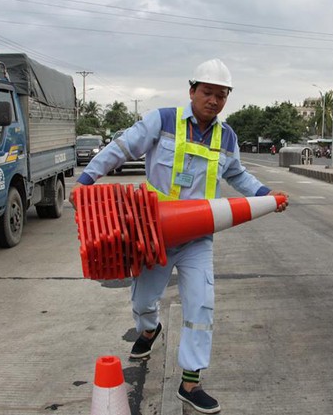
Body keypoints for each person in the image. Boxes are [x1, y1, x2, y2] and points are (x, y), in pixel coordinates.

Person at [70, 58, 288, 414]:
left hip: (198, 237)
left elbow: (239, 175)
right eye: (207, 92)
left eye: (222, 95)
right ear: (192, 91)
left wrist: (268, 194)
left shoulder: (226, 136)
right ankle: (149, 329)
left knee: (201, 305)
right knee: (143, 302)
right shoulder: (163, 119)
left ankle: (190, 382)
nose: (214, 100)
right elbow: (122, 148)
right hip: (153, 232)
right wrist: (85, 179)